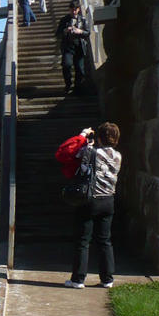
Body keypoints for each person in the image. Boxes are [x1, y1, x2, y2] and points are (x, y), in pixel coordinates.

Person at [62, 122, 123, 289]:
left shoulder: (90, 151)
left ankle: (78, 279)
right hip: (108, 200)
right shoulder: (118, 155)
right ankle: (107, 279)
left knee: (83, 241)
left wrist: (82, 135)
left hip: (90, 200)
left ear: (100, 138)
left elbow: (65, 153)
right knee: (105, 241)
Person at [55, 0, 89, 94]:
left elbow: (88, 32)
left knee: (80, 69)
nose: (73, 12)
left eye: (75, 10)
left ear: (78, 10)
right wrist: (65, 30)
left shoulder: (82, 19)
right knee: (66, 65)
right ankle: (68, 84)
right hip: (68, 46)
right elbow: (57, 34)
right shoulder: (64, 20)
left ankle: (77, 87)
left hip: (79, 47)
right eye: (71, 10)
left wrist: (80, 31)